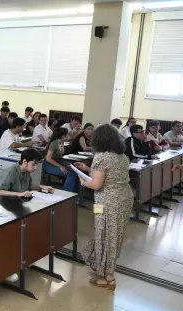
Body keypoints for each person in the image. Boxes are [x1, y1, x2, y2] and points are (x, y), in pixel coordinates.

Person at [74, 124, 134, 290]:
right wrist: (88, 169)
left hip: (107, 201)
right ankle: (108, 271)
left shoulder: (101, 156)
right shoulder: (122, 156)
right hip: (124, 198)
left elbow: (96, 185)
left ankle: (107, 276)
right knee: (115, 235)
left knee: (103, 234)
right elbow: (109, 175)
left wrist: (83, 181)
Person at [43, 128, 79, 193]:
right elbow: (48, 158)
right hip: (49, 164)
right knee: (71, 174)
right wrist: (60, 166)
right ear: (63, 136)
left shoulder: (62, 142)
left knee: (76, 171)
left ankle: (75, 193)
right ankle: (66, 193)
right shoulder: (54, 144)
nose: (68, 136)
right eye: (66, 135)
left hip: (58, 162)